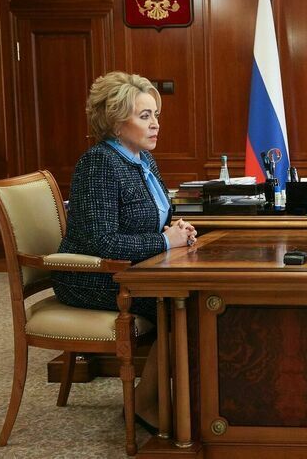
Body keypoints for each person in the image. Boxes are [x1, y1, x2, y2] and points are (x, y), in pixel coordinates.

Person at [52, 71, 197, 431]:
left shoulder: (143, 160)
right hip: (90, 276)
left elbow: (155, 218)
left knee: (192, 299)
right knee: (181, 304)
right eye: (145, 116)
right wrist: (165, 242)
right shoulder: (99, 163)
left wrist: (176, 229)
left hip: (131, 269)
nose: (155, 124)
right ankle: (147, 405)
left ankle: (188, 402)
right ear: (116, 123)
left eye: (156, 115)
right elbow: (102, 242)